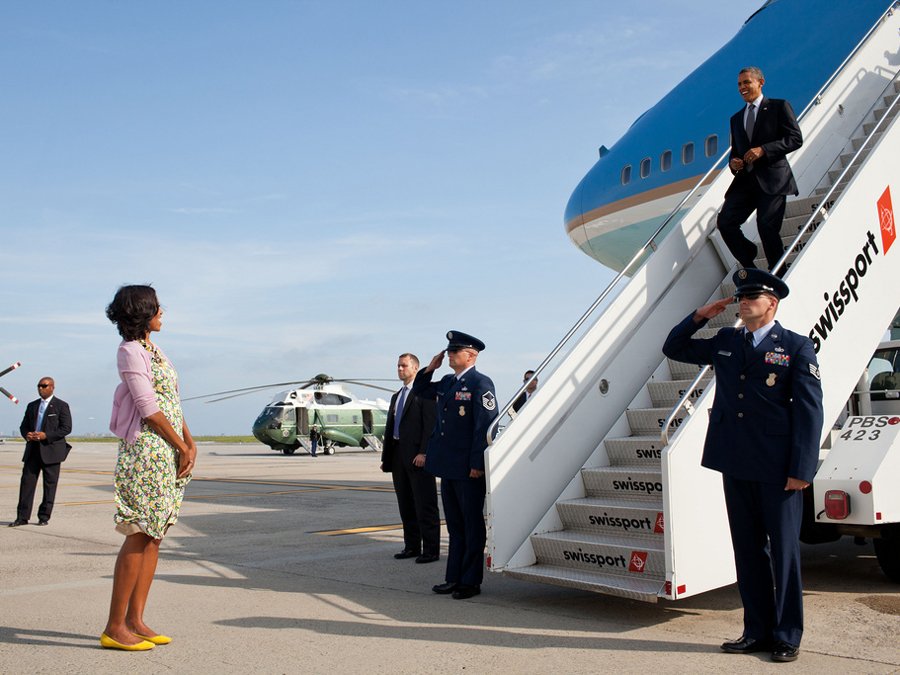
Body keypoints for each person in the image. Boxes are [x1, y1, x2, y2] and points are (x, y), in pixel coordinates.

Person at [662, 268, 824, 663]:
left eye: (753, 295)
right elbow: (674, 347)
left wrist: (802, 469)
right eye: (741, 296)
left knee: (784, 553)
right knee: (748, 551)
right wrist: (701, 314)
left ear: (772, 303)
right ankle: (756, 631)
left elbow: (809, 412)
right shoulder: (726, 340)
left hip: (777, 467)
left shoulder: (797, 347)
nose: (744, 300)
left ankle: (787, 635)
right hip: (736, 462)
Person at [101, 285, 197, 651]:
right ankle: (114, 626)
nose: (163, 312)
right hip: (147, 450)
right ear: (143, 312)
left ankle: (136, 619)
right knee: (140, 532)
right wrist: (179, 443)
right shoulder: (129, 352)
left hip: (168, 448)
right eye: (157, 307)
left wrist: (189, 442)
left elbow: (171, 401)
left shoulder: (154, 350)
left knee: (156, 533)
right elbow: (147, 407)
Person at [412, 331, 498, 600]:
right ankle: (454, 577)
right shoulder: (448, 381)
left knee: (472, 525)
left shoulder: (481, 383)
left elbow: (484, 428)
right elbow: (421, 389)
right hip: (448, 466)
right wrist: (430, 368)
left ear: (470, 355)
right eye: (448, 351)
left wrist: (477, 464)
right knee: (455, 526)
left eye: (454, 351)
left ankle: (470, 581)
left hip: (467, 468)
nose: (449, 355)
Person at [717, 67, 803, 272]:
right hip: (746, 182)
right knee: (725, 222)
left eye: (746, 82)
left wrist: (764, 150)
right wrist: (734, 162)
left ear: (760, 82)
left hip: (773, 179)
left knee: (766, 226)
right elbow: (736, 152)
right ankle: (749, 262)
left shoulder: (778, 107)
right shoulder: (736, 119)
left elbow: (795, 139)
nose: (742, 87)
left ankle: (778, 274)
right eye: (739, 84)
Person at [380, 353, 440, 563]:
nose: (399, 369)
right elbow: (391, 429)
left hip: (417, 456)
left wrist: (424, 452)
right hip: (398, 456)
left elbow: (430, 425)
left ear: (415, 368)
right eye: (398, 365)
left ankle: (431, 549)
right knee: (405, 504)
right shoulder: (397, 396)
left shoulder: (423, 393)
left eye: (403, 366)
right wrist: (387, 457)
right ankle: (411, 546)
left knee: (425, 503)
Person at [9, 377, 72, 527]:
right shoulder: (32, 406)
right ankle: (22, 517)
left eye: (44, 386)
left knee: (50, 486)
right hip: (33, 451)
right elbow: (23, 426)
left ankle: (44, 517)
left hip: (51, 452)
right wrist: (27, 435)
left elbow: (66, 428)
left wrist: (46, 435)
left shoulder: (61, 406)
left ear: (52, 387)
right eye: (39, 386)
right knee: (26, 484)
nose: (40, 389)